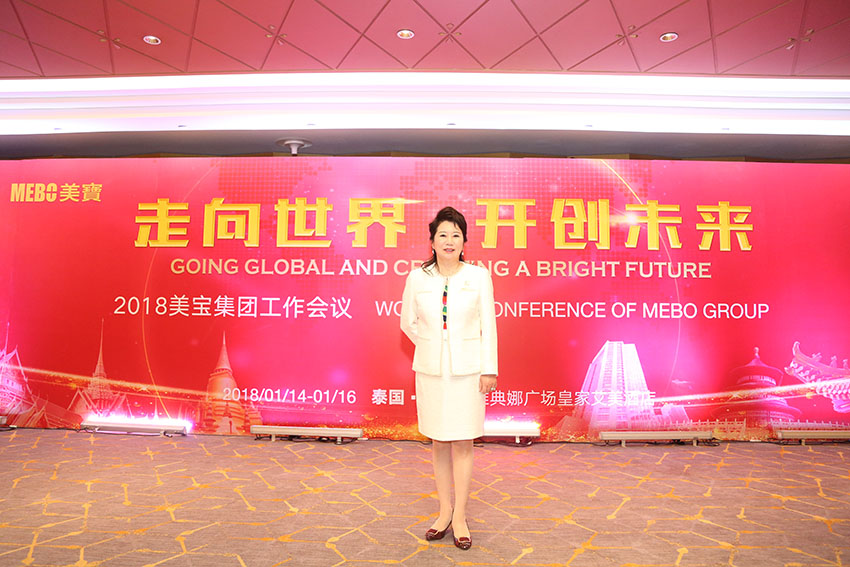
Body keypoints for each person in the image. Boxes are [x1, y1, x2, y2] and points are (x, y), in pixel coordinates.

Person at [400, 206, 498, 550]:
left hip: (468, 372)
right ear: (432, 241)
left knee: (463, 442)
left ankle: (460, 517)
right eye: (442, 234)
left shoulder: (478, 276)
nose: (449, 241)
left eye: (456, 235)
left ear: (464, 241)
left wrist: (488, 368)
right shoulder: (417, 278)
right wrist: (433, 345)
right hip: (431, 371)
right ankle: (444, 512)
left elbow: (489, 325)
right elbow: (408, 323)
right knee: (439, 442)